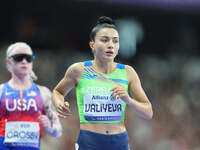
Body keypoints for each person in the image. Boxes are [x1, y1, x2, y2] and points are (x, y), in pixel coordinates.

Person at [52, 16, 153, 150]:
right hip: (89, 140)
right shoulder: (79, 70)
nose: (110, 45)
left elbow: (148, 112)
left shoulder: (128, 72)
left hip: (119, 141)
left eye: (115, 41)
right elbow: (57, 91)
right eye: (104, 40)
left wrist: (128, 100)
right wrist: (59, 103)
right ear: (92, 45)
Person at [0, 42, 62, 150]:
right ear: (9, 62)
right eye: (19, 58)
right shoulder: (1, 91)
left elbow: (58, 132)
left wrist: (50, 127)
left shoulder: (43, 93)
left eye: (28, 58)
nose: (24, 61)